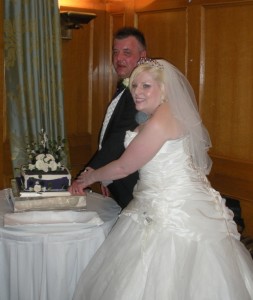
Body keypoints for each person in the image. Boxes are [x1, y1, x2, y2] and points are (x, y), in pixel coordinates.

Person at [72, 58, 253, 300]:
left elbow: (124, 167)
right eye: (134, 85)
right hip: (167, 198)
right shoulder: (168, 114)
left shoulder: (158, 123)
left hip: (170, 208)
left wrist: (90, 177)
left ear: (164, 89)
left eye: (146, 86)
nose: (137, 92)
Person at [68, 27, 147, 209]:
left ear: (142, 56)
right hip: (117, 180)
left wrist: (87, 176)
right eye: (115, 52)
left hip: (135, 187)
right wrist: (106, 178)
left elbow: (119, 138)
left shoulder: (141, 95)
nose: (119, 59)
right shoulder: (126, 88)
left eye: (127, 53)